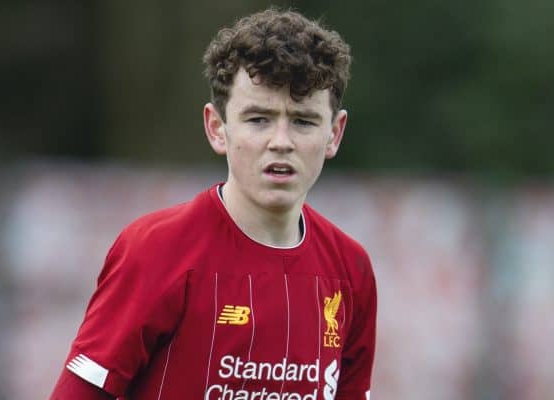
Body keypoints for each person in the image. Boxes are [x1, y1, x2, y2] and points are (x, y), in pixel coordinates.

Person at [50, 7, 376, 400]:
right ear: (217, 128)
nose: (281, 141)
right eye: (258, 119)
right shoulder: (156, 250)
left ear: (334, 133)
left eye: (304, 121)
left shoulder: (350, 271)